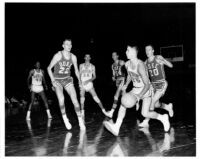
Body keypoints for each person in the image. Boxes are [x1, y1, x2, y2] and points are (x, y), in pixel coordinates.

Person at [104, 46, 170, 136]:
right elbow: (130, 75)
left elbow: (147, 84)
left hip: (146, 91)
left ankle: (163, 118)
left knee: (145, 113)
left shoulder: (140, 65)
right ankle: (116, 127)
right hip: (136, 89)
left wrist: (138, 97)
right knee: (123, 102)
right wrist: (126, 85)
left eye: (128, 50)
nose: (126, 52)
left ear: (134, 52)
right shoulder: (127, 64)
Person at [47, 39, 85, 130]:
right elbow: (48, 68)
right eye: (67, 44)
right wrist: (52, 80)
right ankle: (65, 119)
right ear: (63, 46)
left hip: (67, 79)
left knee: (75, 100)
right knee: (61, 99)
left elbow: (76, 70)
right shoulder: (58, 55)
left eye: (70, 44)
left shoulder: (73, 57)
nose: (69, 46)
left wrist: (79, 81)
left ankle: (80, 121)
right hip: (58, 80)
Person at [138, 45, 173, 127]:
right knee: (156, 105)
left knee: (152, 101)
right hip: (153, 86)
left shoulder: (158, 58)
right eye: (146, 50)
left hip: (162, 84)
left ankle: (146, 121)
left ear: (153, 50)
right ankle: (168, 107)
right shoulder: (146, 62)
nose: (147, 51)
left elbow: (171, 66)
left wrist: (164, 60)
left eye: (149, 50)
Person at [79, 54, 107, 120]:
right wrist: (79, 83)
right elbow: (79, 75)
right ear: (84, 58)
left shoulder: (92, 66)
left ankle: (104, 111)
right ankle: (82, 113)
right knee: (82, 99)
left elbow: (94, 76)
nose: (87, 58)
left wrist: (88, 80)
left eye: (89, 56)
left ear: (90, 58)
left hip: (89, 84)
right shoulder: (81, 65)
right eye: (86, 56)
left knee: (96, 98)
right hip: (82, 84)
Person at [104, 52, 126, 118]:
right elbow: (114, 75)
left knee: (116, 96)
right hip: (117, 81)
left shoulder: (121, 62)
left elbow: (128, 69)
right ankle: (136, 101)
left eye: (114, 55)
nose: (113, 56)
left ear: (117, 56)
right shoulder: (112, 65)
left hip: (122, 80)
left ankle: (111, 112)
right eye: (112, 55)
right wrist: (113, 77)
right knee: (124, 98)